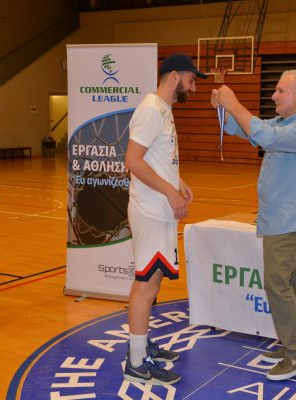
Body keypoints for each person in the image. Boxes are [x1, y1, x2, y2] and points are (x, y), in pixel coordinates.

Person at [211, 70, 296, 381]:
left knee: (277, 284)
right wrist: (224, 110)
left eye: (279, 91)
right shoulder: (286, 123)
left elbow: (266, 136)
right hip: (282, 220)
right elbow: (250, 132)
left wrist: (235, 103)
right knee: (291, 286)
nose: (273, 96)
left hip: (290, 221)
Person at [123, 53, 204, 385]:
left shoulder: (163, 110)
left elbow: (156, 158)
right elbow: (133, 160)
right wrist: (170, 192)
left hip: (160, 210)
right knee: (145, 286)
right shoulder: (150, 110)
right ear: (174, 76)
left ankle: (142, 345)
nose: (193, 87)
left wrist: (177, 182)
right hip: (150, 210)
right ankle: (136, 362)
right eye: (191, 80)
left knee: (153, 283)